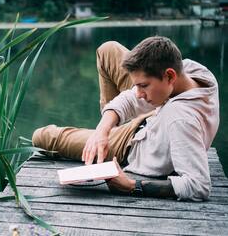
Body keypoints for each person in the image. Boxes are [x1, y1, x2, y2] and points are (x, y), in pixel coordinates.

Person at [32, 36, 219, 201]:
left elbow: (198, 186)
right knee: (108, 50)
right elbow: (131, 98)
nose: (137, 94)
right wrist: (102, 130)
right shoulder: (195, 72)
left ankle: (109, 139)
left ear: (169, 76)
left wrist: (132, 186)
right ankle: (105, 134)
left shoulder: (181, 120)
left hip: (130, 143)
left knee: (41, 137)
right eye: (137, 85)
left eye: (143, 85)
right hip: (152, 117)